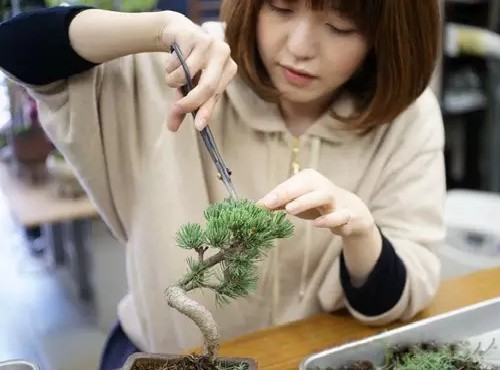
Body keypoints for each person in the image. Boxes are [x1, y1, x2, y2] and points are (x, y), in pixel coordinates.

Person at [0, 0, 445, 369]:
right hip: (160, 353)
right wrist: (160, 29)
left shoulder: (406, 119)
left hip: (312, 356)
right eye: (282, 7)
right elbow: (16, 46)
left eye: (340, 27)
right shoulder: (175, 70)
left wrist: (361, 233)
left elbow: (403, 292)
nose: (301, 47)